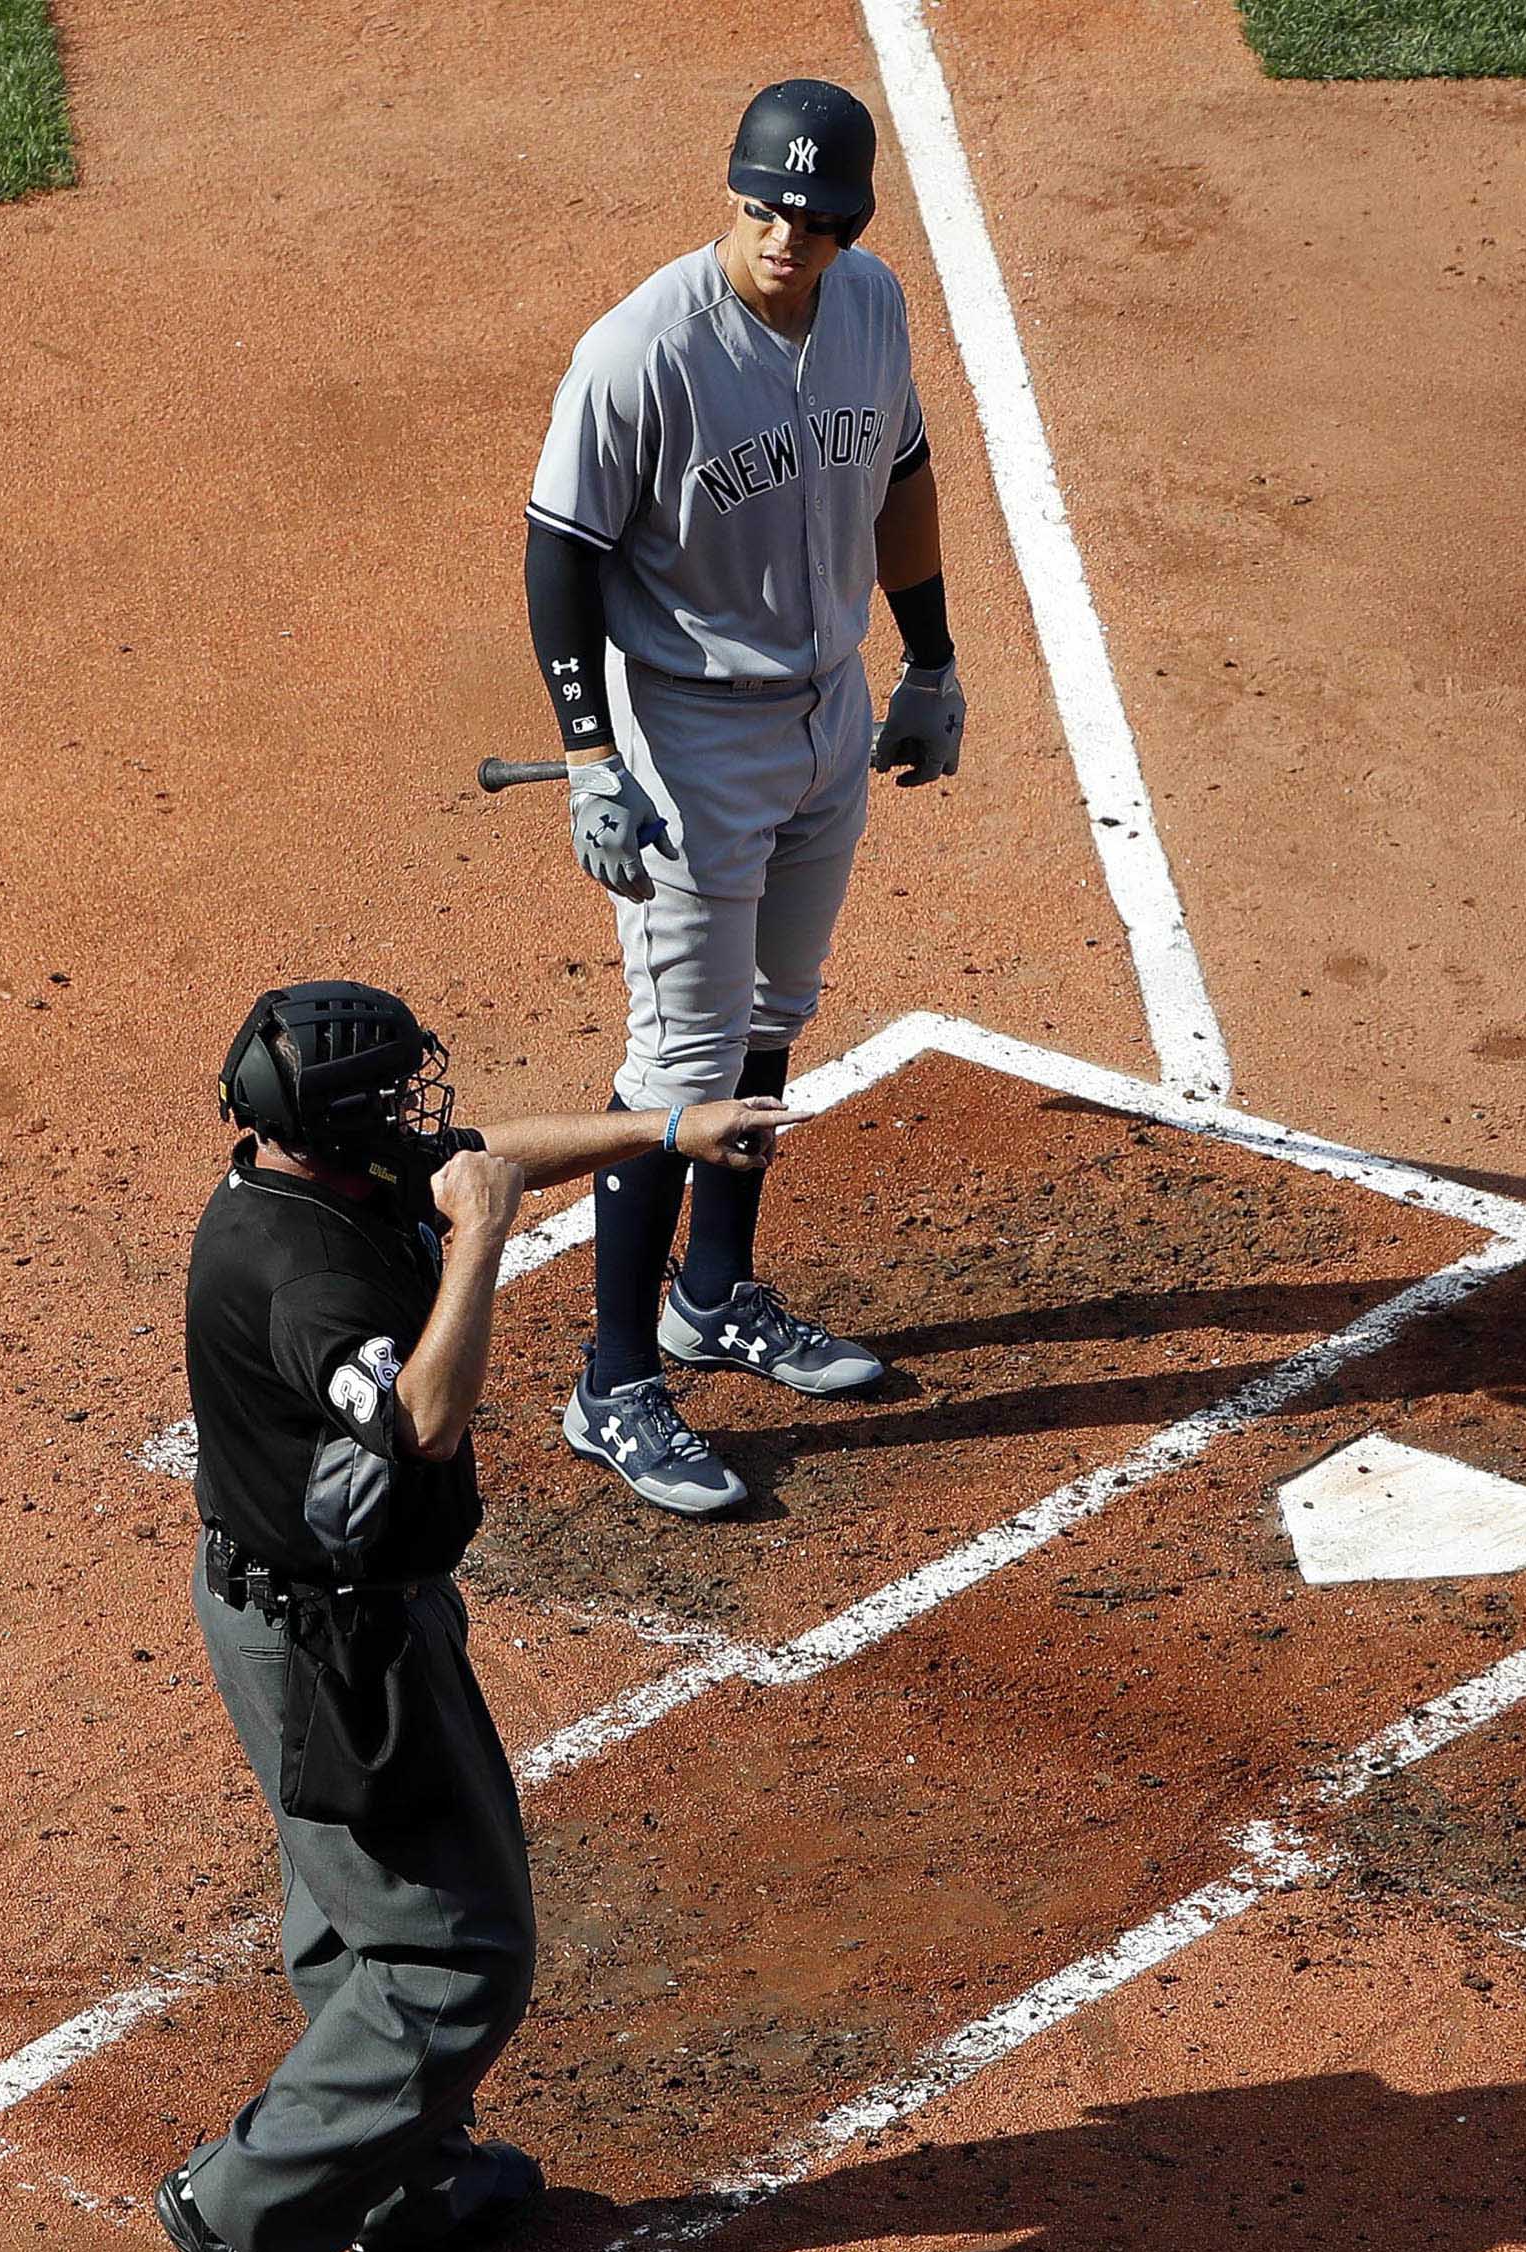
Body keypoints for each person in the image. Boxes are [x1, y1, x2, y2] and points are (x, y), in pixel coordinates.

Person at [156, 981, 792, 2252]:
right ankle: (242, 2206)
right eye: (392, 1096)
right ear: (334, 1123)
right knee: (453, 1959)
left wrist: (668, 1127)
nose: (417, 1113)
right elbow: (421, 1419)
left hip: (313, 1609)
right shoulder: (306, 1274)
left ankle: (406, 2180)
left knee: (352, 1917)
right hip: (335, 1640)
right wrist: (484, 1241)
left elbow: (481, 1152)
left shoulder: (301, 1164)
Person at [520, 76, 966, 1517]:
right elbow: (559, 554)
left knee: (775, 1017)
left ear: (852, 223)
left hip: (829, 709)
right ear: (734, 193)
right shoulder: (639, 350)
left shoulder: (871, 307)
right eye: (767, 206)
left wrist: (934, 663)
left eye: (818, 216)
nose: (787, 234)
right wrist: (591, 754)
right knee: (679, 1058)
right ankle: (613, 1382)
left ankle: (711, 1295)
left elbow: (901, 470)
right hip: (689, 739)